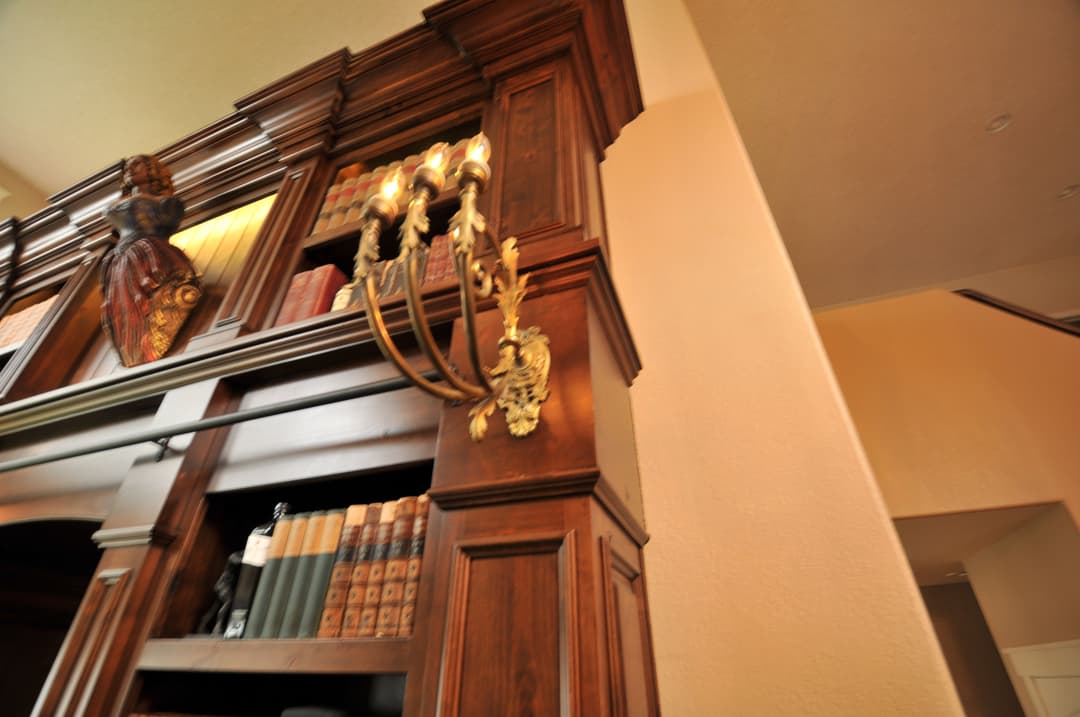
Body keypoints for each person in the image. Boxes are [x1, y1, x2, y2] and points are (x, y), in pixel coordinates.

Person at [101, 154, 201, 366]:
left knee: (145, 301)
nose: (130, 169)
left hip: (146, 253)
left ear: (153, 170)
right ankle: (134, 347)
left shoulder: (167, 204)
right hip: (121, 257)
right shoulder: (121, 202)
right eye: (128, 167)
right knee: (123, 310)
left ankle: (143, 348)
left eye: (137, 165)